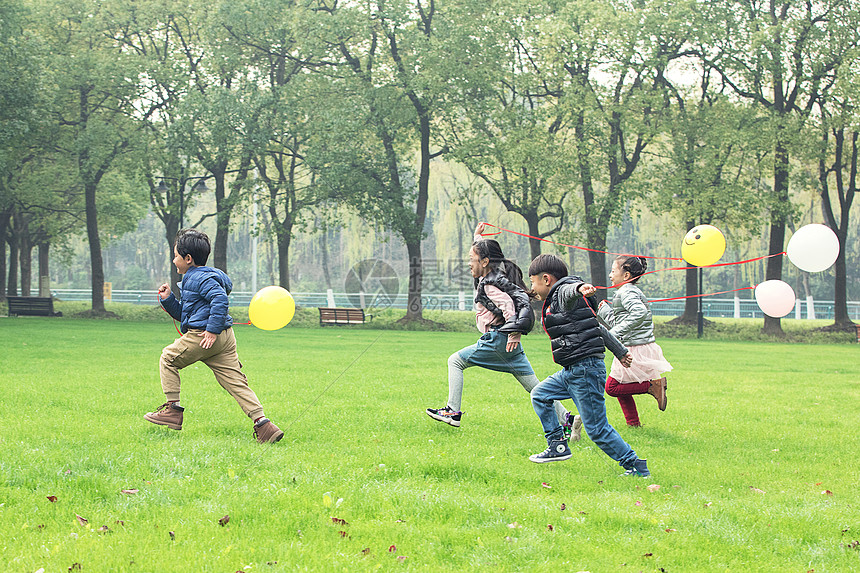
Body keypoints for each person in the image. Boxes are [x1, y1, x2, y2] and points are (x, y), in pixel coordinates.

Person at [426, 224, 581, 441]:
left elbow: (509, 307)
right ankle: (567, 419)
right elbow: (486, 262)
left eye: (472, 258)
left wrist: (514, 332)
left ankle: (452, 411)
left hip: (499, 340)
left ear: (485, 262)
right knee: (535, 388)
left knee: (455, 361)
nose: (469, 262)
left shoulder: (490, 285)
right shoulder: (494, 275)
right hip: (509, 344)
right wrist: (477, 238)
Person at [144, 229, 284, 444]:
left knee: (168, 358)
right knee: (235, 382)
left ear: (188, 259)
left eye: (176, 256)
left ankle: (172, 410)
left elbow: (219, 299)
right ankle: (264, 425)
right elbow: (187, 315)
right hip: (225, 337)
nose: (173, 261)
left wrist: (210, 330)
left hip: (205, 336)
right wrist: (168, 299)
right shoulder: (204, 277)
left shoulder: (196, 279)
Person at [526, 253, 650, 477]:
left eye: (533, 281)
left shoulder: (563, 294)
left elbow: (568, 291)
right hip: (573, 370)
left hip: (585, 370)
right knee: (540, 394)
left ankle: (635, 466)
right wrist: (620, 351)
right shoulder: (560, 302)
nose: (532, 286)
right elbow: (598, 328)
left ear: (546, 279)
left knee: (596, 430)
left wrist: (579, 288)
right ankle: (557, 445)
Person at [598, 255, 672, 427]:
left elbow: (639, 313)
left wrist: (613, 334)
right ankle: (633, 424)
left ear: (626, 276)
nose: (610, 275)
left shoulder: (627, 291)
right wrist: (603, 311)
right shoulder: (627, 291)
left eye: (613, 271)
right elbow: (622, 320)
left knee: (612, 388)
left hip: (635, 346)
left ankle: (652, 387)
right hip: (636, 344)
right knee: (620, 385)